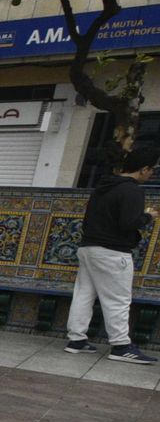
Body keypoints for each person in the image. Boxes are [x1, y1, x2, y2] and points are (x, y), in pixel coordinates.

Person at [65, 143, 158, 364]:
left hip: (88, 248)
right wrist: (148, 216)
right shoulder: (132, 190)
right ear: (143, 169)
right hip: (112, 251)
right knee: (118, 299)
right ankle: (121, 346)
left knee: (83, 294)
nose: (152, 173)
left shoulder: (104, 186)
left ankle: (76, 340)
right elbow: (128, 223)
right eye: (152, 169)